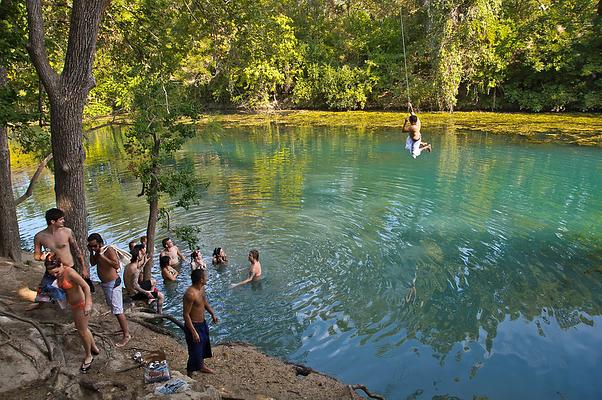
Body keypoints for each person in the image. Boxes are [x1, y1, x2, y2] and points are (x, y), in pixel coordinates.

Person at [44, 254, 99, 373]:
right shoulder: (56, 274)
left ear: (61, 265)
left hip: (81, 304)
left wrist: (88, 303)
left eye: (56, 272)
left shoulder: (70, 272)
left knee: (81, 331)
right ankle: (94, 347)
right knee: (83, 328)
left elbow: (86, 286)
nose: (54, 274)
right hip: (73, 305)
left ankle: (89, 356)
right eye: (52, 273)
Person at [31, 208, 88, 306]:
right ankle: (40, 306)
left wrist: (84, 268)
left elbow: (77, 251)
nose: (64, 221)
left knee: (74, 291)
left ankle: (84, 305)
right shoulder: (39, 236)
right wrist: (42, 257)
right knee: (43, 290)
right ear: (52, 221)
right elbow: (36, 256)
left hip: (69, 267)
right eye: (61, 219)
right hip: (52, 269)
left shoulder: (67, 232)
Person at [88, 233, 131, 347]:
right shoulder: (96, 252)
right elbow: (92, 263)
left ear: (100, 243)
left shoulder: (109, 250)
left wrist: (102, 256)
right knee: (114, 308)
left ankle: (126, 335)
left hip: (113, 283)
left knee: (118, 310)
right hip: (106, 284)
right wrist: (92, 252)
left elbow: (116, 265)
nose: (93, 248)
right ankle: (123, 330)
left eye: (95, 246)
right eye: (91, 246)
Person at [183, 269, 218, 377]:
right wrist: (193, 332)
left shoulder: (201, 288)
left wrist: (212, 313)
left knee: (203, 346)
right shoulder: (190, 294)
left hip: (202, 323)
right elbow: (185, 315)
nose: (207, 278)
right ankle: (189, 372)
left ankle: (201, 366)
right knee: (194, 351)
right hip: (193, 325)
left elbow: (204, 302)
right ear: (201, 280)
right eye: (205, 276)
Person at [124, 245, 164, 313]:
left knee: (153, 281)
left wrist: (144, 262)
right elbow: (135, 285)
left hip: (129, 290)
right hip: (134, 294)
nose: (142, 255)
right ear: (137, 257)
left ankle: (151, 299)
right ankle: (160, 313)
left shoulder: (129, 265)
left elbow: (137, 271)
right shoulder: (135, 269)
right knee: (161, 296)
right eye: (141, 254)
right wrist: (146, 292)